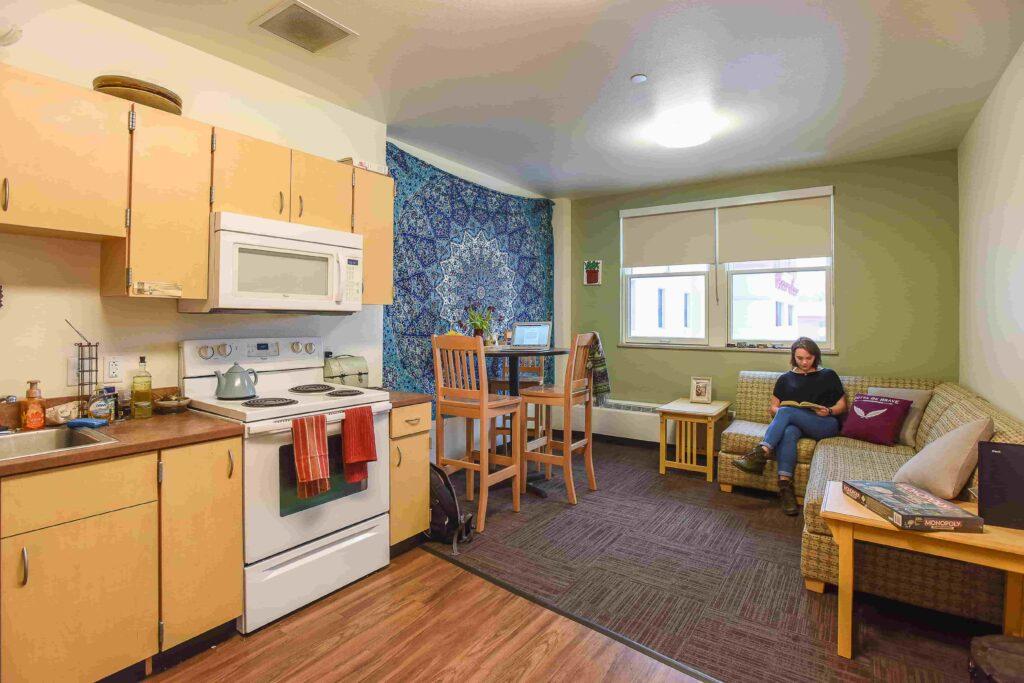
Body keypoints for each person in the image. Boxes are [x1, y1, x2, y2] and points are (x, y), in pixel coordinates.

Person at [732, 337, 846, 516]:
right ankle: (785, 487)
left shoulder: (828, 375)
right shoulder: (785, 379)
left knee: (786, 411)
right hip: (797, 423)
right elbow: (773, 407)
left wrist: (829, 411)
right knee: (788, 431)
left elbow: (842, 406)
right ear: (794, 357)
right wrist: (782, 412)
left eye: (808, 358)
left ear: (815, 356)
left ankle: (761, 452)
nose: (804, 362)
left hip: (824, 423)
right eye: (800, 358)